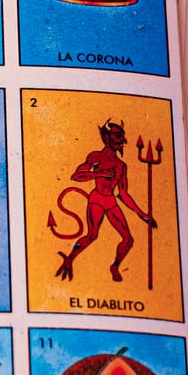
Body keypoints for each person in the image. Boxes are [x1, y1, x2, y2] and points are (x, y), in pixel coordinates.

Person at [52, 120, 154, 281]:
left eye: (122, 136)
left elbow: (123, 194)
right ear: (107, 138)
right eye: (118, 136)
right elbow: (76, 176)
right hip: (97, 199)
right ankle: (70, 259)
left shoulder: (121, 166)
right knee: (92, 235)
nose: (123, 140)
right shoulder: (96, 157)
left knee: (128, 239)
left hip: (110, 201)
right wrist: (98, 174)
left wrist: (142, 214)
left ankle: (115, 266)